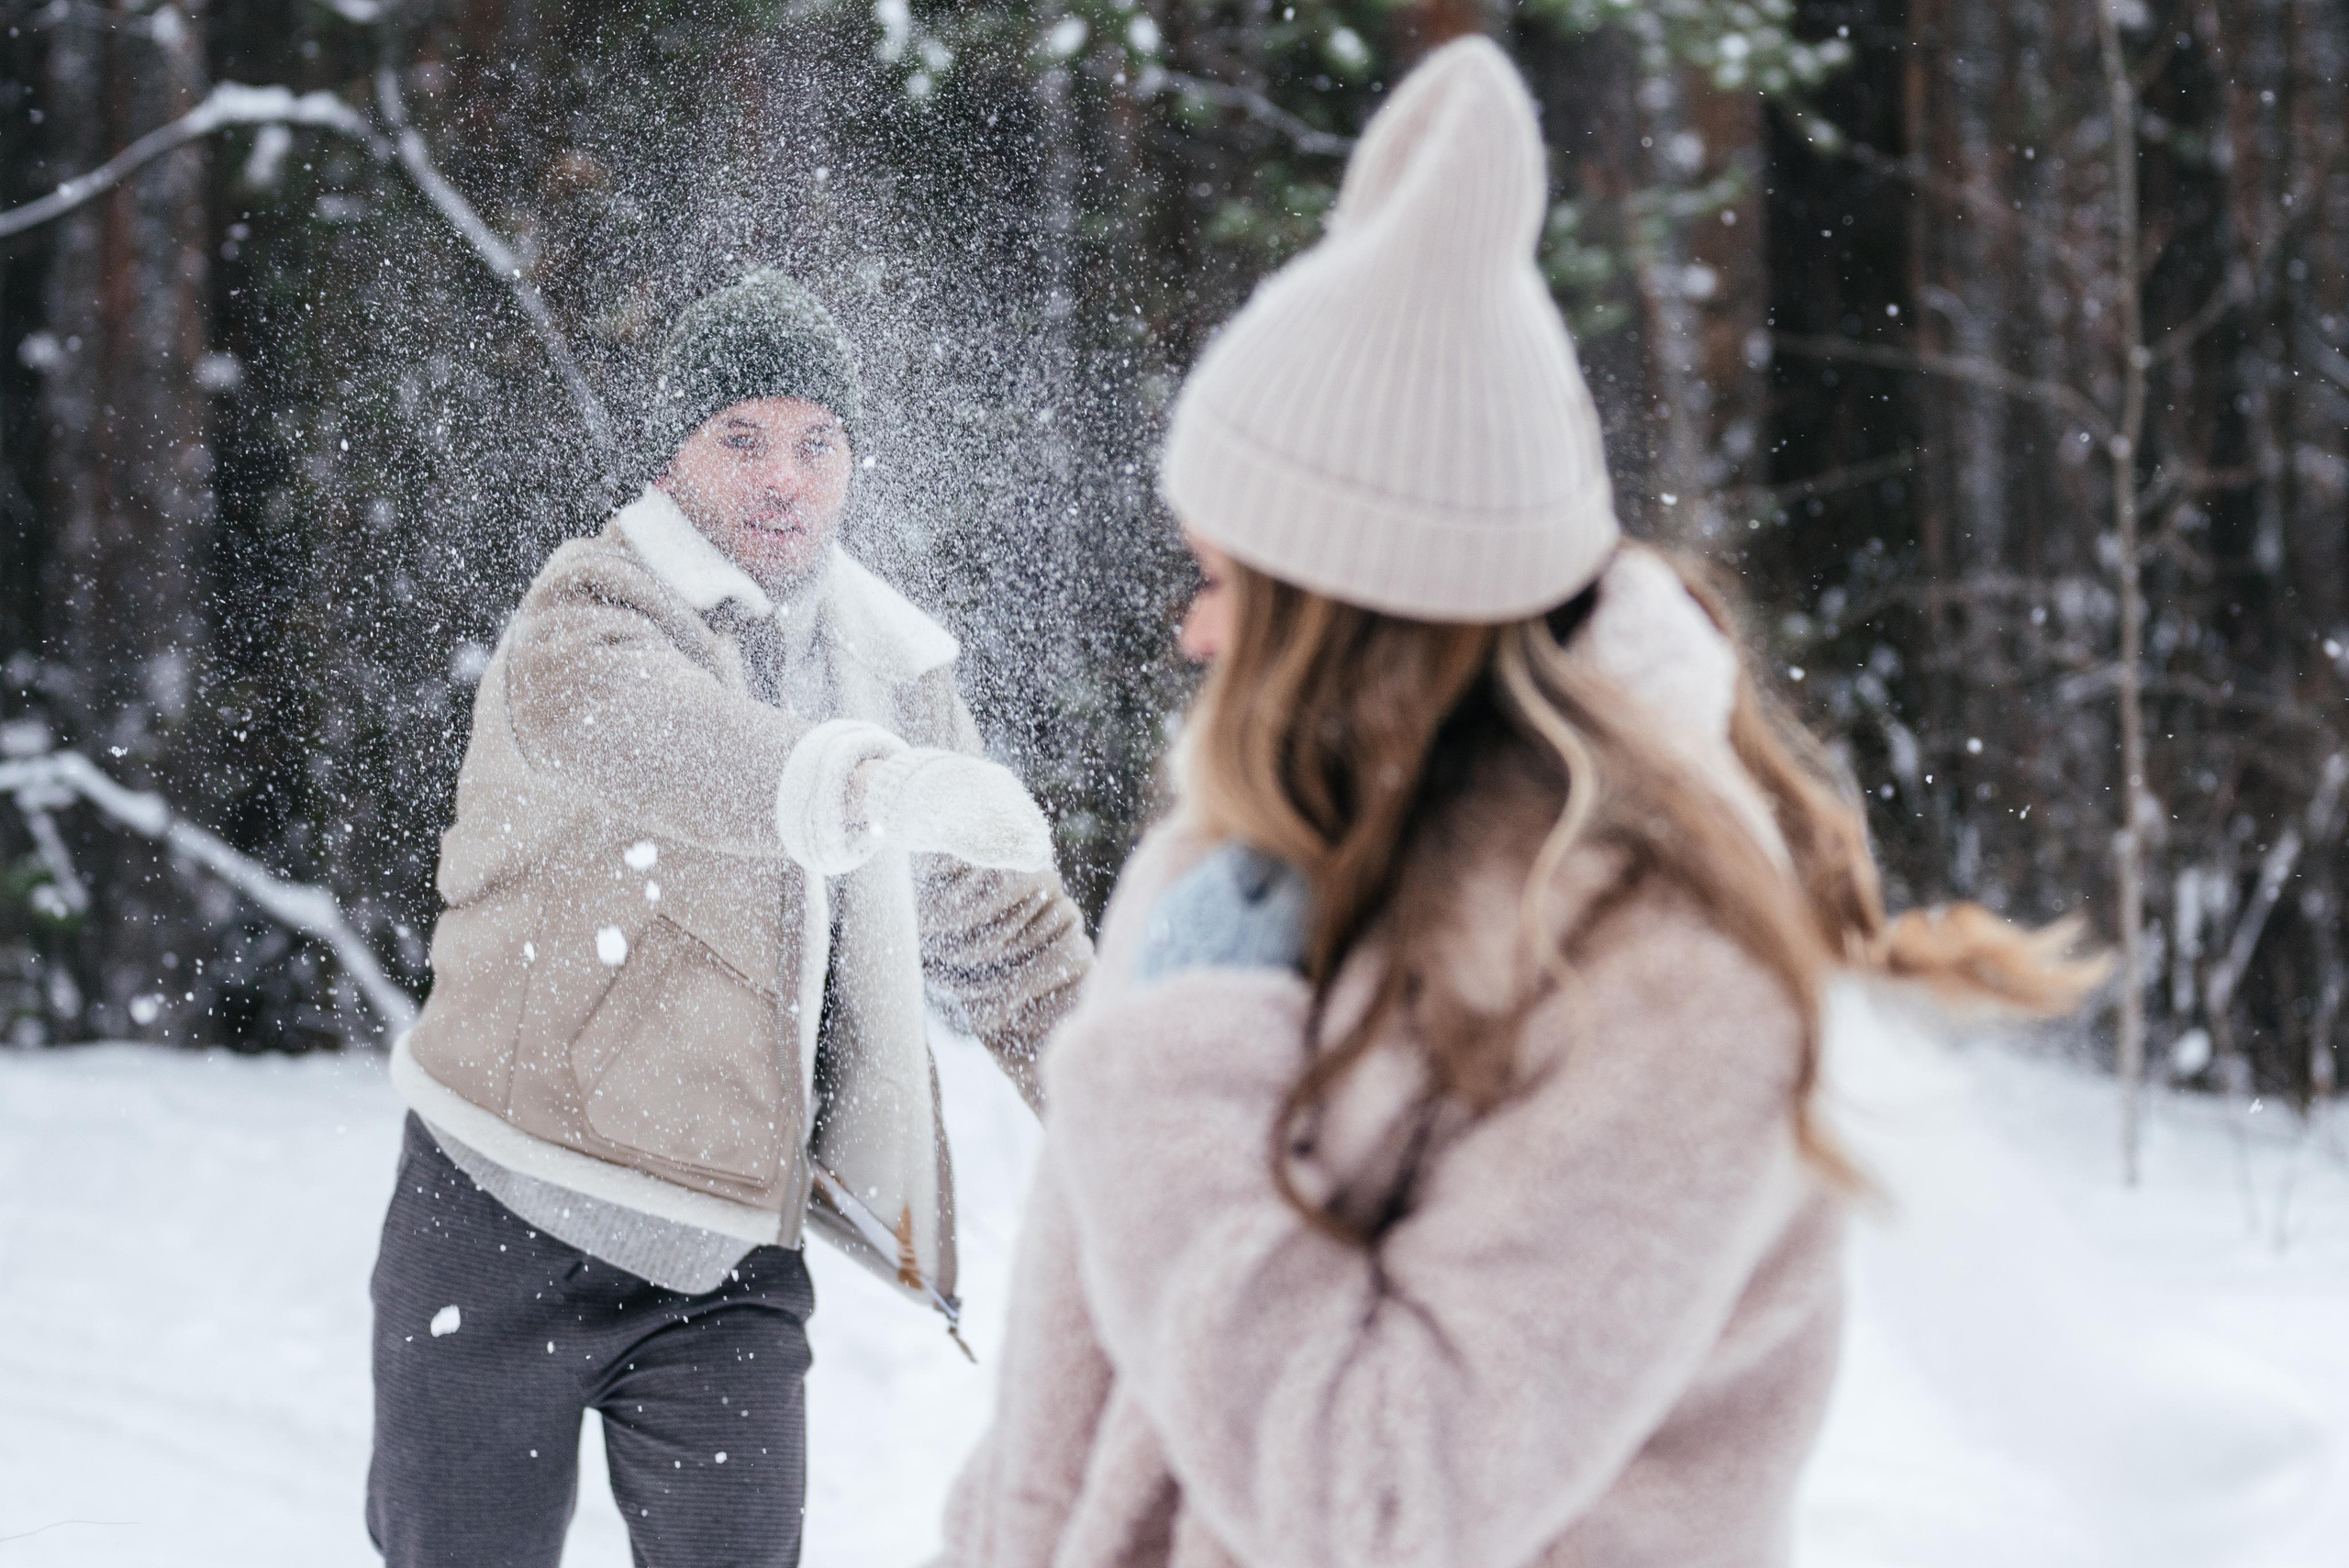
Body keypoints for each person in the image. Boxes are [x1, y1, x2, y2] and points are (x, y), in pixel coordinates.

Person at [935, 39, 2099, 1568]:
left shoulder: (1662, 980)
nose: (1193, 634)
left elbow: (1380, 1509)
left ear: (1346, 619)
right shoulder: (1231, 869)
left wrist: (1183, 1092)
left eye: (1223, 582)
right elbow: (1054, 1427)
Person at [370, 269, 1093, 1568]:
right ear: (671, 456)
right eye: (743, 438)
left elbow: (1018, 953)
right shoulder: (585, 614)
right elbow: (686, 749)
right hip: (497, 1220)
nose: (785, 481)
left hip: (727, 1268)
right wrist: (869, 787)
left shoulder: (890, 672)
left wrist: (1148, 1136)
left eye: (819, 443)